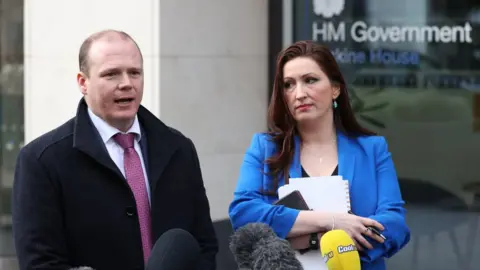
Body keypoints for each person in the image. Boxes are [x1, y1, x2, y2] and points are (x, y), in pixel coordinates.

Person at [12, 30, 218, 270]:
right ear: (83, 82)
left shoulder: (179, 149)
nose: (126, 84)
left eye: (134, 73)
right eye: (111, 74)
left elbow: (203, 245)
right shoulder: (42, 161)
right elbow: (40, 263)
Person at [228, 40, 410, 269]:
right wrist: (331, 222)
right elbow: (243, 212)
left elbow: (394, 225)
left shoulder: (372, 149)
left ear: (335, 88)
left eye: (310, 80)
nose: (299, 93)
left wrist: (337, 248)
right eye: (288, 84)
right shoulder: (264, 147)